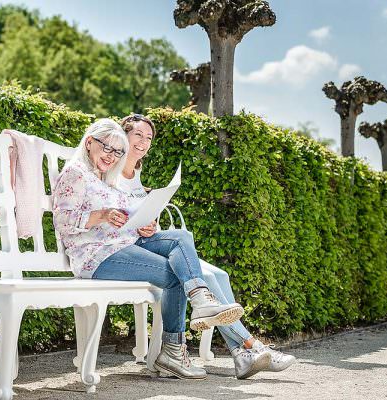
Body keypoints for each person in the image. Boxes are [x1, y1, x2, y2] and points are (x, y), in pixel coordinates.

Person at [52, 118, 244, 380]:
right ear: (89, 143)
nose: (112, 156)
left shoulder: (107, 178)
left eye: (118, 152)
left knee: (180, 237)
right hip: (96, 256)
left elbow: (124, 219)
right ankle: (174, 351)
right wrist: (102, 215)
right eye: (106, 148)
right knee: (177, 273)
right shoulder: (76, 173)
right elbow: (62, 221)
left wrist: (142, 225)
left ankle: (200, 302)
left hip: (124, 244)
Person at [118, 114, 296, 379]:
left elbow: (139, 214)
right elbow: (114, 218)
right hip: (133, 249)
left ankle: (242, 354)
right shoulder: (112, 170)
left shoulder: (136, 174)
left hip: (150, 242)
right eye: (138, 135)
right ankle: (248, 346)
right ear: (123, 136)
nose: (143, 142)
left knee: (218, 275)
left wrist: (150, 222)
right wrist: (138, 226)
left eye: (148, 137)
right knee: (192, 257)